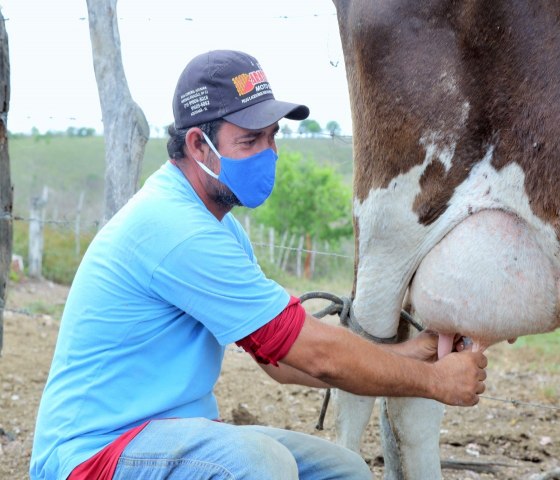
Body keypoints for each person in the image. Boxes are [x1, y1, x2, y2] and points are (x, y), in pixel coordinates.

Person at [30, 50, 488, 480]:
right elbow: (316, 354)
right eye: (249, 141)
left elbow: (280, 360)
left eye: (272, 137)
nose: (268, 153)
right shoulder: (175, 227)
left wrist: (411, 354)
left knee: (344, 470)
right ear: (198, 145)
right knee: (258, 465)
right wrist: (432, 381)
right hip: (94, 454)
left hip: (171, 435)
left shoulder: (219, 227)